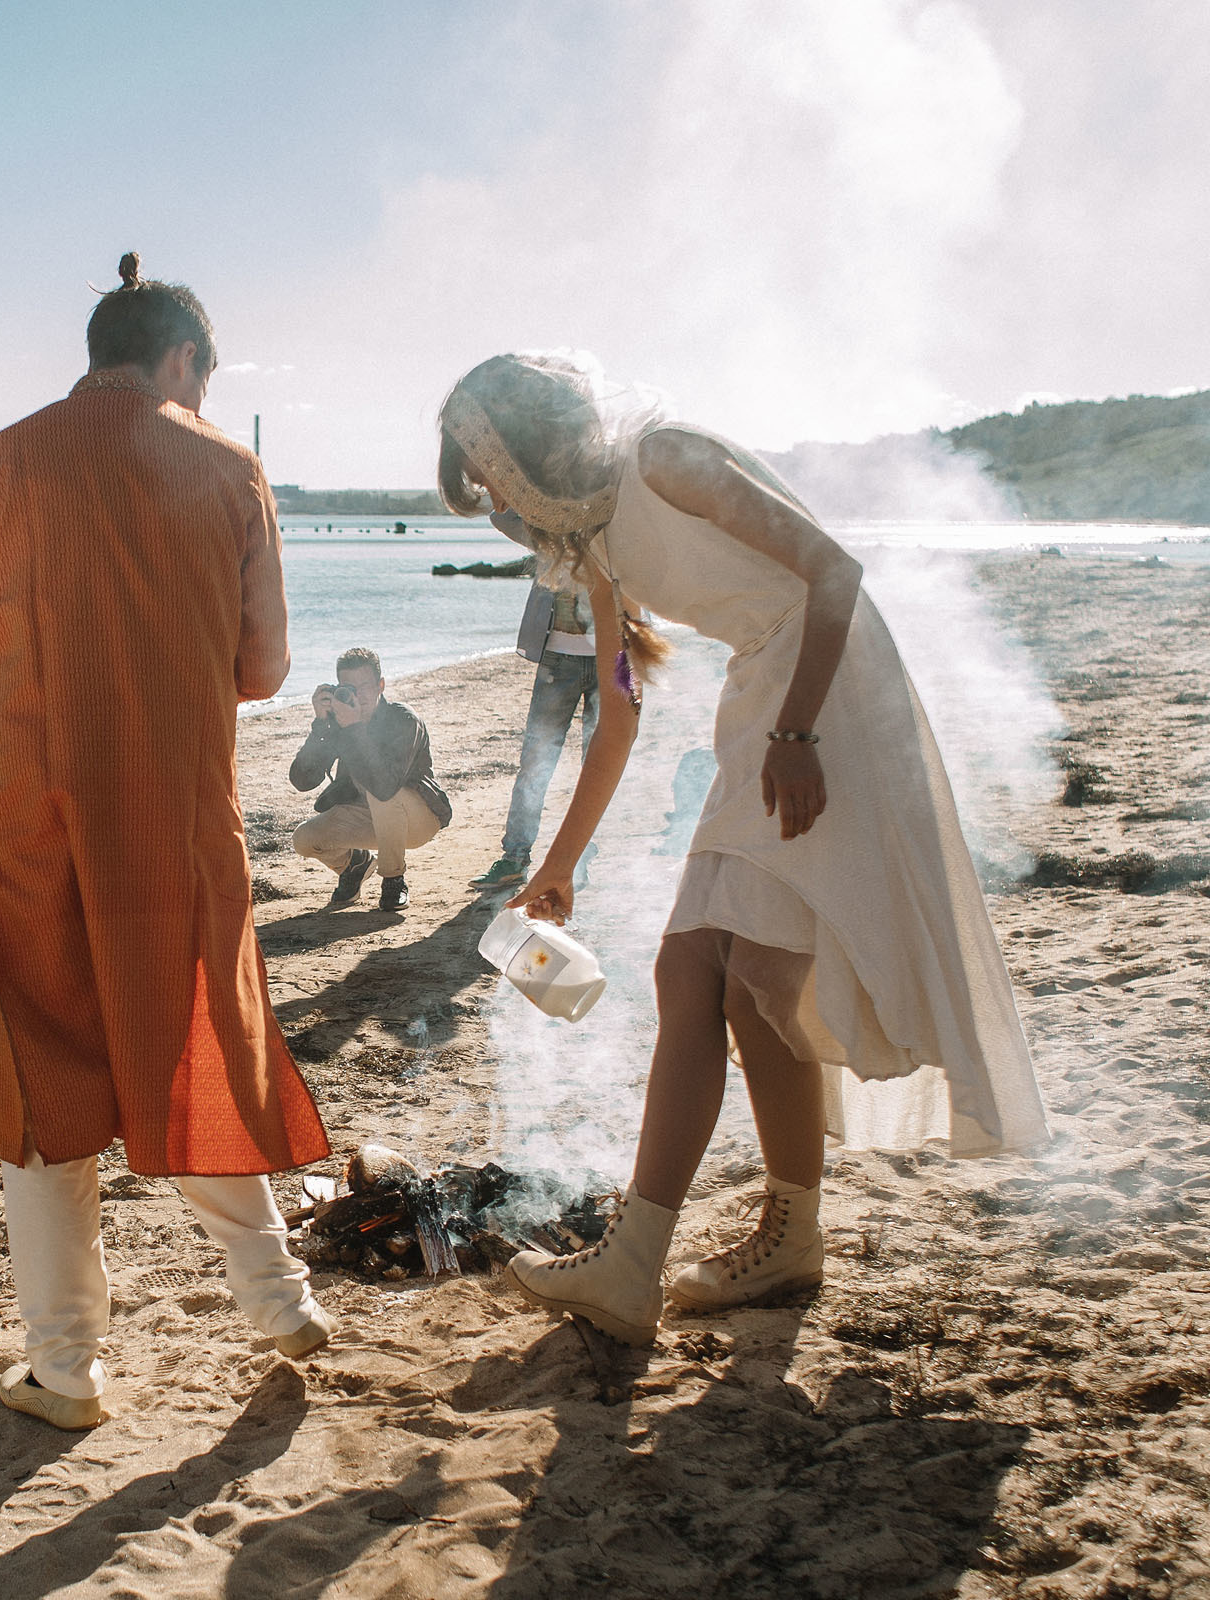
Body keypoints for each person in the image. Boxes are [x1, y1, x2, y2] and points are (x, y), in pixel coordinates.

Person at [434, 352, 1050, 1348]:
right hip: (767, 707)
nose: (494, 496)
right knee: (747, 982)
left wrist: (798, 732)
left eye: (488, 469)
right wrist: (559, 863)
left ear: (525, 441)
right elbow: (620, 714)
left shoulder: (665, 459)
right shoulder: (596, 542)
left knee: (700, 967)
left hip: (827, 694)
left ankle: (638, 1260)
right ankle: (787, 1235)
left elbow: (834, 573)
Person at [0, 253, 336, 1430]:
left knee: (46, 1071)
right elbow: (266, 665)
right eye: (205, 375)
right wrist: (166, 680)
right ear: (181, 358)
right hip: (178, 805)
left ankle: (66, 1368)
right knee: (193, 1031)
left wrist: (26, 720)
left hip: (37, 811)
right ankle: (277, 1296)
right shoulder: (229, 467)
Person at [288, 646, 451, 912]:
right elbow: (302, 780)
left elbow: (385, 787)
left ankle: (393, 880)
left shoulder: (402, 720)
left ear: (380, 686)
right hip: (370, 818)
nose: (357, 696)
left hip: (417, 819)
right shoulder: (339, 721)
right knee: (304, 839)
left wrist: (353, 728)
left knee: (381, 793)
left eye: (364, 687)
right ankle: (354, 866)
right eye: (349, 688)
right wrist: (320, 725)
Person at [476, 578, 600, 887]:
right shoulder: (553, 544)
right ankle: (515, 859)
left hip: (613, 657)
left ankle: (578, 857)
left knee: (598, 766)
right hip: (558, 656)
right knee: (535, 764)